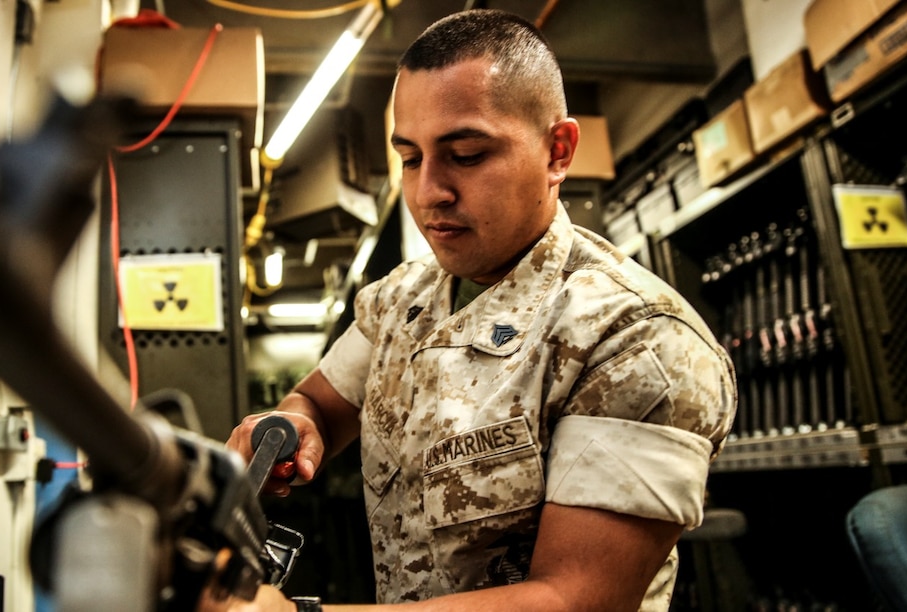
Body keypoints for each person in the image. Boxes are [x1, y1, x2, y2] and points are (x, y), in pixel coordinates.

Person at [218, 8, 737, 611]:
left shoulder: (635, 339)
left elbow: (576, 600)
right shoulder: (398, 301)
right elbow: (317, 403)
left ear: (557, 151)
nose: (427, 191)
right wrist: (292, 425)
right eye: (410, 158)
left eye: (465, 154)